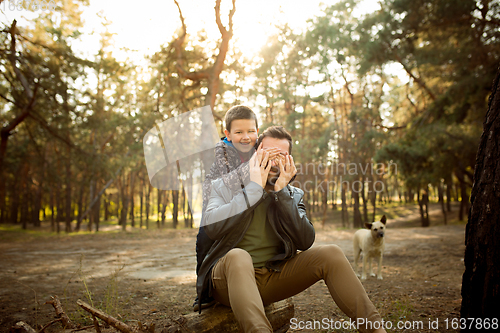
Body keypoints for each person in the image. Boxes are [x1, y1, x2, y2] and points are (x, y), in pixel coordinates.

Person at [196, 126, 387, 333]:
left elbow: (305, 241)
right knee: (238, 256)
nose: (273, 160)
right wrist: (253, 189)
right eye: (267, 152)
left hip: (272, 278)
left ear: (289, 161)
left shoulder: (292, 194)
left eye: (280, 155)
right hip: (227, 280)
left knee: (331, 253)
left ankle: (376, 330)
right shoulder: (224, 186)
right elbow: (212, 229)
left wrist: (282, 193)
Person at [194, 105, 280, 311]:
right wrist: (253, 168)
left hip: (247, 200)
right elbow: (228, 182)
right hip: (220, 196)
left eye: (251, 131)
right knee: (205, 237)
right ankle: (203, 293)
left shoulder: (260, 148)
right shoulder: (222, 153)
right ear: (228, 134)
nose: (245, 137)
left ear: (257, 131)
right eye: (239, 132)